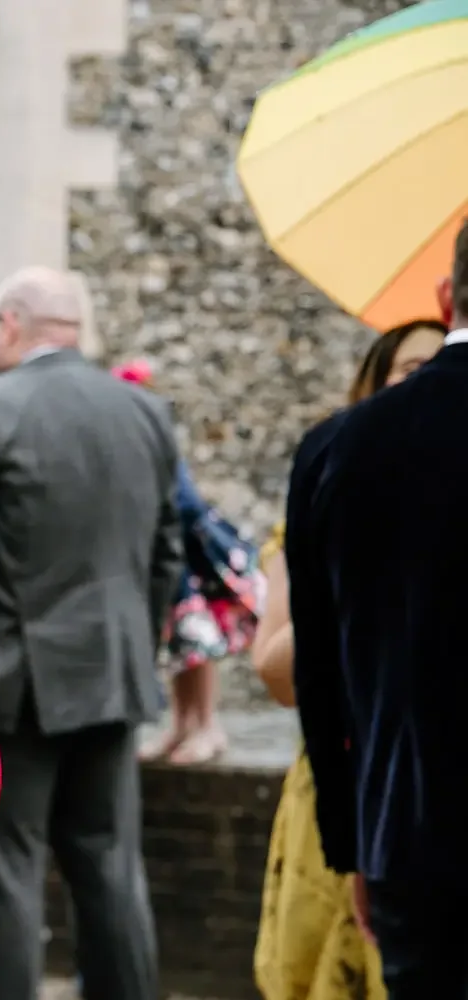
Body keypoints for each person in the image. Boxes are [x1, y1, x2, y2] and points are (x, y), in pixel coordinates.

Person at [0, 266, 181, 1000]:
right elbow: (167, 556)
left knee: (7, 874)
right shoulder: (145, 413)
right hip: (114, 677)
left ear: (10, 324)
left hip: (13, 687)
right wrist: (135, 648)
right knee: (110, 867)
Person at [286, 219, 468, 998]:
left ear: (445, 295)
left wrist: (349, 840)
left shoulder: (340, 447)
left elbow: (323, 675)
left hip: (409, 835)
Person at [246, 326, 446, 1000]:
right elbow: (276, 672)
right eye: (409, 367)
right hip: (357, 789)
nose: (421, 382)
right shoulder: (333, 486)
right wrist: (360, 593)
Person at [116, 361, 262, 767]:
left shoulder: (153, 434)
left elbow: (184, 501)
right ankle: (183, 724)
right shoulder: (142, 434)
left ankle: (207, 727)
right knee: (184, 644)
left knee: (197, 643)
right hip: (173, 551)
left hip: (188, 553)